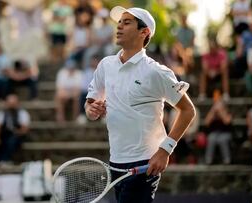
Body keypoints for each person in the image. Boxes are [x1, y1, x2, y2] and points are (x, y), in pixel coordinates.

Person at [85, 6, 196, 203]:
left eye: (127, 22)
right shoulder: (105, 65)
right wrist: (91, 109)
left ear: (144, 32)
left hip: (145, 164)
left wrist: (165, 151)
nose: (119, 26)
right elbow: (91, 108)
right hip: (115, 163)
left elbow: (188, 111)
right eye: (119, 22)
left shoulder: (157, 72)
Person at [0, 94, 30, 166]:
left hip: (17, 135)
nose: (11, 106)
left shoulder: (22, 113)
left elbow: (24, 129)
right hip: (5, 134)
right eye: (10, 104)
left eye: (13, 104)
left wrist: (16, 132)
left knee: (12, 141)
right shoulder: (2, 113)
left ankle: (5, 160)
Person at [204, 90, 232, 165]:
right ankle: (208, 160)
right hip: (214, 133)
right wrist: (213, 111)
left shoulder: (227, 111)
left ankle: (227, 159)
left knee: (222, 139)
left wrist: (220, 111)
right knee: (211, 138)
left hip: (225, 133)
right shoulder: (213, 111)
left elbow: (227, 121)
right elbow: (206, 122)